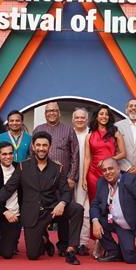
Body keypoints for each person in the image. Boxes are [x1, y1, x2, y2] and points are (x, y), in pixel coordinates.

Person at [0, 131, 84, 265]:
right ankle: (44, 239)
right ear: (33, 147)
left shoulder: (58, 168)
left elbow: (66, 191)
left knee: (77, 209)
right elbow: (8, 189)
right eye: (38, 145)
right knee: (32, 255)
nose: (41, 148)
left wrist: (63, 203)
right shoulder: (23, 166)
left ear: (50, 147)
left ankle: (71, 249)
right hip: (32, 214)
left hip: (52, 210)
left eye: (45, 145)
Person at [90, 158, 136, 263]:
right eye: (104, 170)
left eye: (110, 169)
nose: (107, 172)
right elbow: (95, 203)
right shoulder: (102, 182)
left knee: (130, 258)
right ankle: (114, 252)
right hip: (117, 223)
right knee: (97, 219)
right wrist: (95, 221)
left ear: (118, 169)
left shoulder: (131, 180)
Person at [33, 102, 79, 256]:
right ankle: (44, 241)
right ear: (45, 113)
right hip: (41, 182)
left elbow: (75, 155)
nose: (51, 113)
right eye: (48, 111)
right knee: (41, 211)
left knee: (63, 213)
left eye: (54, 110)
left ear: (59, 112)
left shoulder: (68, 130)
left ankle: (63, 244)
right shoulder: (38, 130)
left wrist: (71, 177)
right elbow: (31, 155)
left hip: (63, 181)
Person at [83, 104, 126, 203]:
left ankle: (110, 219)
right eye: (101, 114)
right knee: (94, 202)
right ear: (97, 117)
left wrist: (108, 161)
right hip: (93, 173)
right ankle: (95, 219)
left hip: (110, 172)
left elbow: (123, 154)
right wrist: (84, 178)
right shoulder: (89, 136)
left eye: (106, 114)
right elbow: (87, 158)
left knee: (111, 201)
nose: (104, 116)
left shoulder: (115, 133)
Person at [72, 107, 90, 255]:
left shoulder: (91, 134)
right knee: (72, 209)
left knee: (85, 211)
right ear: (73, 119)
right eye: (77, 117)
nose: (79, 120)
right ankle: (71, 242)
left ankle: (83, 242)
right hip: (70, 178)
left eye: (82, 117)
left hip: (87, 178)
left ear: (87, 119)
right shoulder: (68, 133)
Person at [115, 99, 136, 176]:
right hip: (123, 171)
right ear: (126, 110)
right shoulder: (117, 126)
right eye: (130, 106)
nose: (133, 108)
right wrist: (128, 167)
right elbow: (115, 149)